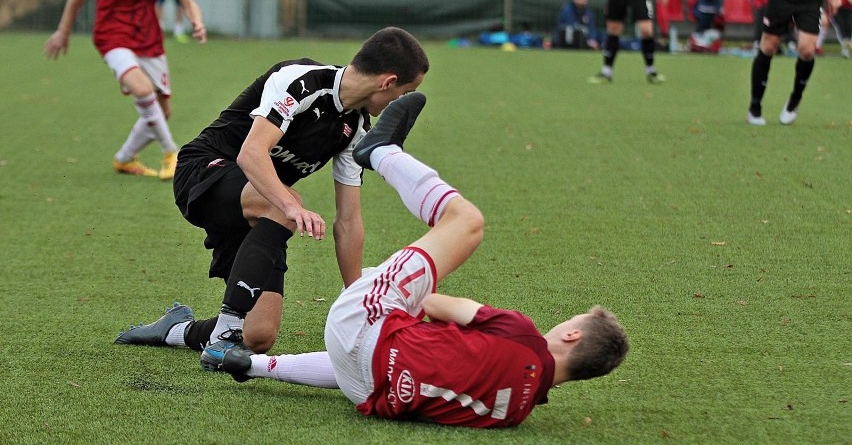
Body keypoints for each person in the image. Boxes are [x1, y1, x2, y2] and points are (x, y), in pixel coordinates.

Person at [199, 91, 629, 428]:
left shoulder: (521, 335)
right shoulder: (514, 412)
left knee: (466, 222)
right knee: (376, 354)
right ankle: (249, 364)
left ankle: (382, 152)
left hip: (359, 322)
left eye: (568, 323)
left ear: (572, 336)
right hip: (362, 388)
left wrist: (384, 284)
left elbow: (434, 304)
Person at [114, 27, 430, 364]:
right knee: (285, 204)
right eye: (406, 92)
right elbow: (252, 154)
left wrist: (356, 299)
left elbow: (349, 220)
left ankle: (176, 329)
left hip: (260, 208)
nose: (403, 102)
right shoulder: (302, 80)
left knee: (259, 336)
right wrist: (289, 206)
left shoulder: (356, 130)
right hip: (205, 171)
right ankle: (224, 335)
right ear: (387, 82)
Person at [43, 0, 206, 180]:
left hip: (148, 38)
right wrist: (62, 31)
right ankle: (172, 152)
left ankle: (124, 158)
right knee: (143, 91)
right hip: (111, 35)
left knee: (162, 111)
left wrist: (196, 19)